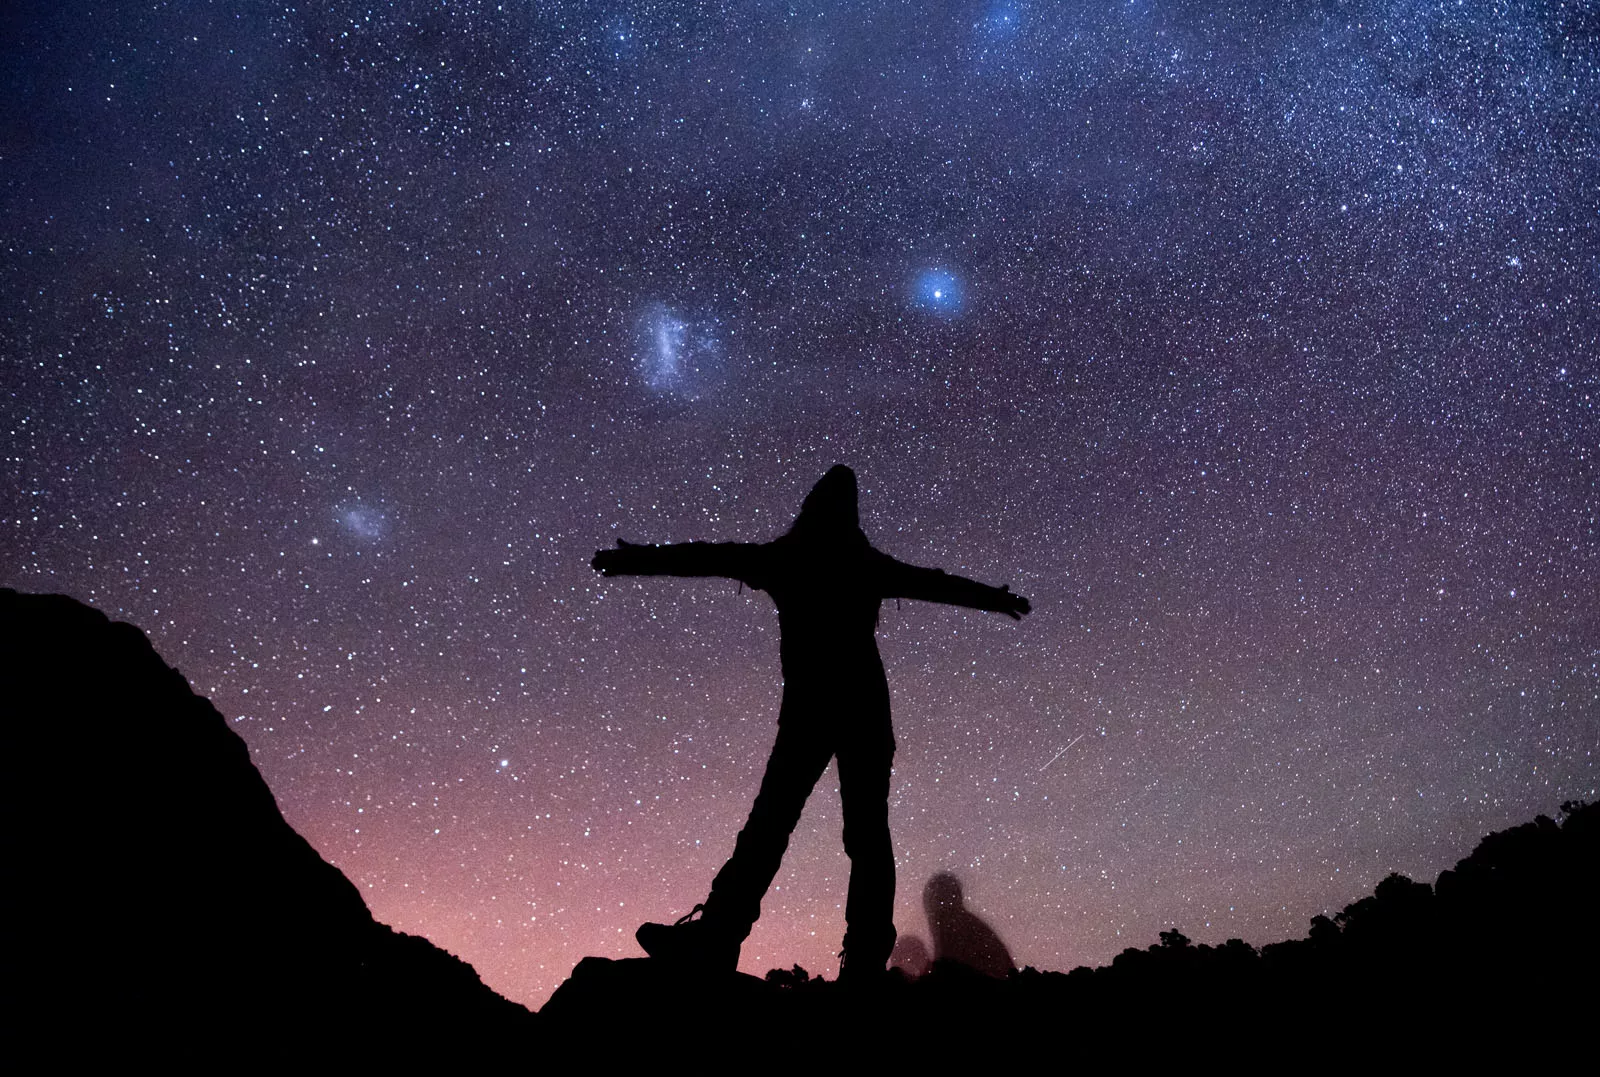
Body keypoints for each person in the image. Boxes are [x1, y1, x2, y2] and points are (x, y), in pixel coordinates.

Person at [592, 465, 1030, 980]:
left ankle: (719, 938)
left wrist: (633, 559)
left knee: (773, 827)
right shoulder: (858, 563)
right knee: (857, 834)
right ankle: (859, 956)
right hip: (860, 714)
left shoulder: (786, 558)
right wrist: (994, 599)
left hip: (812, 715)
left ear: (808, 508)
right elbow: (935, 584)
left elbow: (705, 556)